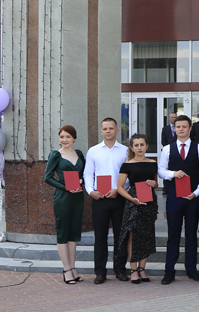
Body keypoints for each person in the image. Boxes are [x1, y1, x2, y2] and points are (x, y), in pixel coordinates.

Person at [157, 115, 199, 284]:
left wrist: (197, 193)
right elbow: (161, 171)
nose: (181, 129)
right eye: (178, 127)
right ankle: (169, 270)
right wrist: (173, 173)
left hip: (193, 197)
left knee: (191, 234)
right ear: (174, 129)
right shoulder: (167, 149)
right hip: (174, 197)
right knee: (173, 234)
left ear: (190, 128)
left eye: (184, 126)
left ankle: (191, 269)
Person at [83, 118, 130, 283]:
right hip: (99, 199)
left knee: (120, 236)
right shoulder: (93, 151)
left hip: (119, 197)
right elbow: (88, 174)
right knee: (100, 237)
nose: (108, 131)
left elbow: (128, 175)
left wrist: (118, 189)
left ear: (117, 130)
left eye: (111, 128)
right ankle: (100, 272)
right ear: (101, 131)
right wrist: (91, 191)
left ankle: (120, 269)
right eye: (105, 129)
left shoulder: (125, 151)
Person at [43, 125, 85, 284]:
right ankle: (66, 269)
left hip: (77, 197)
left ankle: (73, 268)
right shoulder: (56, 155)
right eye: (62, 137)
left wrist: (82, 181)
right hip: (63, 198)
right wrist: (66, 186)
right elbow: (47, 177)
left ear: (74, 138)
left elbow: (84, 174)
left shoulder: (79, 154)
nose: (65, 140)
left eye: (68, 137)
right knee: (63, 233)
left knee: (74, 233)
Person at [115, 134, 158, 285]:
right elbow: (120, 187)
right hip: (133, 202)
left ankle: (142, 268)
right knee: (132, 235)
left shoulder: (153, 163)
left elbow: (155, 183)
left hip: (149, 201)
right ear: (132, 147)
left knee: (147, 234)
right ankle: (133, 270)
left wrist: (154, 184)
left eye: (142, 144)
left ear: (147, 146)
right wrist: (132, 199)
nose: (139, 148)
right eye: (136, 145)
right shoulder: (127, 165)